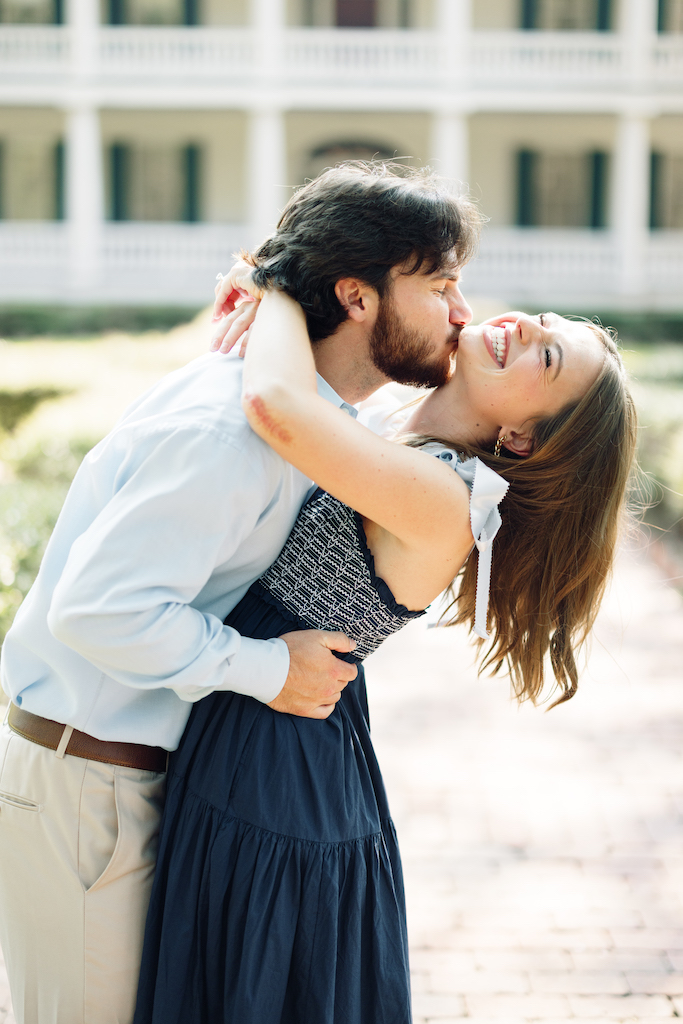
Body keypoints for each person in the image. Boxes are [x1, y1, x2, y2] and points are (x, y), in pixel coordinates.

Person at [0, 162, 481, 1024]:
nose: (461, 312)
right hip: (88, 786)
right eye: (441, 282)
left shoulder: (316, 419)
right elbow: (97, 609)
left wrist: (274, 297)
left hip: (134, 783)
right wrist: (265, 669)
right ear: (358, 296)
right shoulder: (228, 434)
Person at [132, 261, 637, 1023]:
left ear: (521, 438)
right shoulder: (397, 441)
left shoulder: (445, 498)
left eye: (547, 357)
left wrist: (279, 282)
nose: (529, 328)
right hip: (266, 721)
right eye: (544, 322)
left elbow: (276, 405)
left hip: (277, 760)